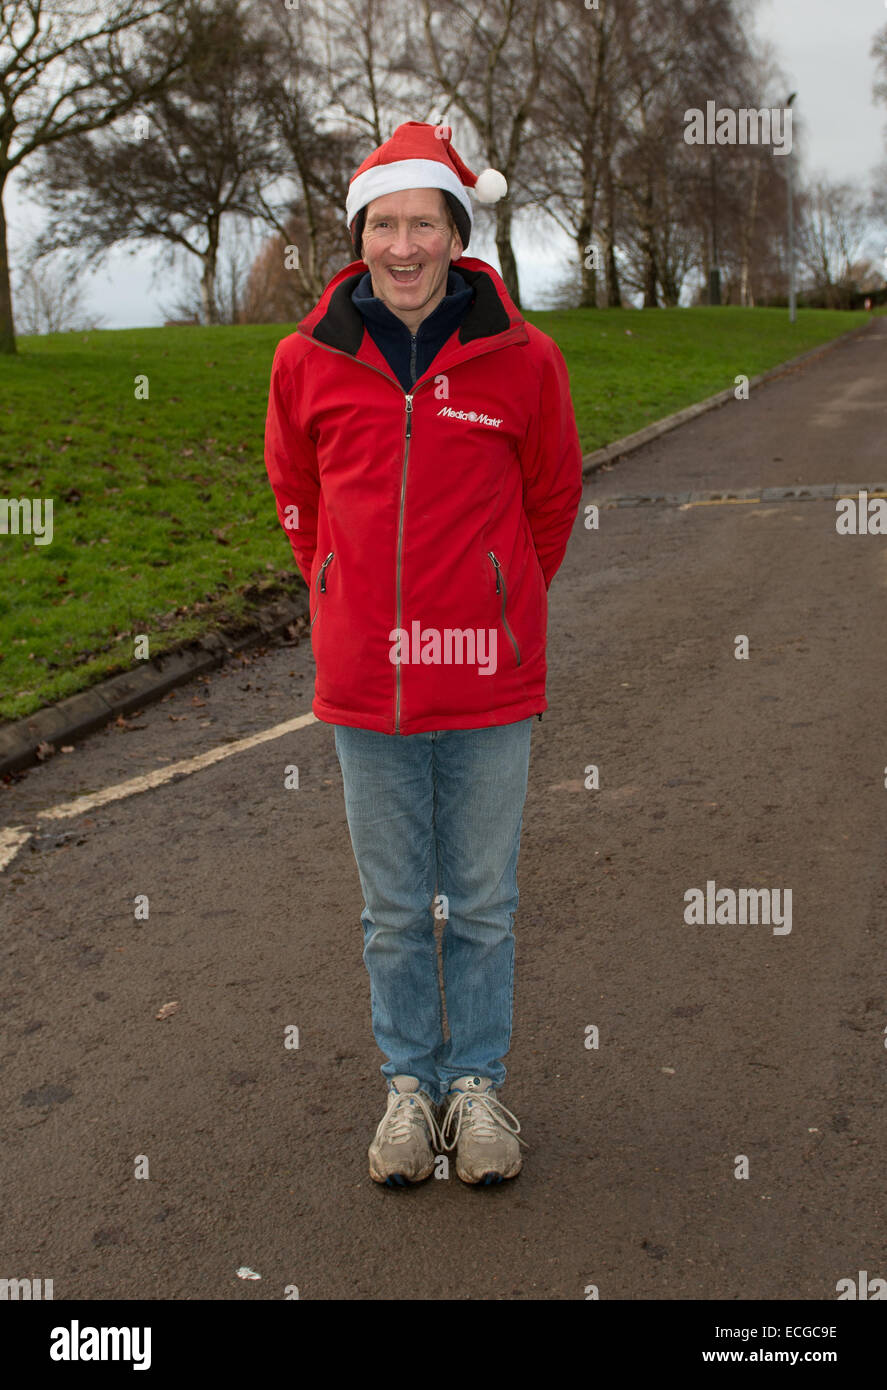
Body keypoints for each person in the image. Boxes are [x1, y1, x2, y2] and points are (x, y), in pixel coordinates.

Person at [264, 121, 582, 1187]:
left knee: (481, 902)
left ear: (456, 234)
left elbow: (549, 499)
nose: (403, 245)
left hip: (488, 678)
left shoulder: (523, 358)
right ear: (361, 239)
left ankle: (477, 1089)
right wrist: (334, 586)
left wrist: (501, 599)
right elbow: (295, 494)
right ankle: (409, 1088)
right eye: (384, 225)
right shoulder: (304, 361)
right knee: (395, 908)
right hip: (365, 683)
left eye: (423, 224)